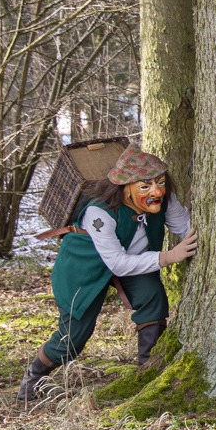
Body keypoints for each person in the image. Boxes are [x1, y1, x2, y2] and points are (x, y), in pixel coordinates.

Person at [20, 145, 197, 401]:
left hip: (133, 261)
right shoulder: (98, 214)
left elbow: (184, 226)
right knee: (73, 337)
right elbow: (117, 263)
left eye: (159, 183)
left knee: (153, 298)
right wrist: (169, 256)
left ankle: (147, 372)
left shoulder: (164, 198)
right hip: (85, 265)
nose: (156, 191)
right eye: (144, 186)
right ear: (125, 187)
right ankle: (34, 376)